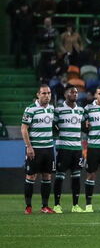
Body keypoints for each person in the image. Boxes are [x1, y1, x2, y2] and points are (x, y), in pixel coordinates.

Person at [22, 85, 56, 214]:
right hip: (35, 148)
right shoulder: (31, 109)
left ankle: (45, 206)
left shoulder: (52, 109)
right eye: (43, 93)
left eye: (48, 93)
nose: (47, 95)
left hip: (48, 148)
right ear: (38, 95)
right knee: (31, 176)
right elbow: (23, 129)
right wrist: (29, 147)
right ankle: (28, 207)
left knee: (47, 176)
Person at [52, 85, 86, 213]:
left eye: (76, 92)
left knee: (76, 177)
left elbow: (83, 126)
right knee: (60, 176)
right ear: (66, 94)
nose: (75, 94)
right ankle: (57, 205)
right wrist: (58, 130)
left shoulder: (81, 110)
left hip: (77, 148)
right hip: (63, 147)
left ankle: (75, 205)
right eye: (72, 92)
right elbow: (53, 125)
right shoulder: (59, 109)